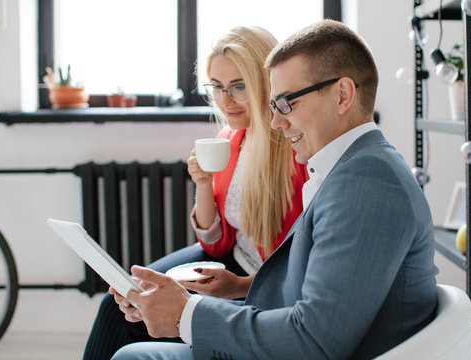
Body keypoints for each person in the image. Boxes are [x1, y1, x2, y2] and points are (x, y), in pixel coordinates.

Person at [111, 19, 439, 360]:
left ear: (343, 95)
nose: (275, 123)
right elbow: (316, 287)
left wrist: (185, 314)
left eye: (287, 103)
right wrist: (235, 287)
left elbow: (313, 341)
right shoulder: (348, 168)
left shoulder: (368, 185)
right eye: (272, 106)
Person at [82, 26, 307, 359]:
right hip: (228, 261)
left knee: (143, 317)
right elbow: (215, 244)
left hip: (264, 282)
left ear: (265, 82)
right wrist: (203, 185)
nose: (224, 100)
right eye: (216, 87)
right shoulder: (232, 138)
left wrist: (240, 285)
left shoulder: (297, 148)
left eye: (238, 87)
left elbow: (301, 263)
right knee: (118, 303)